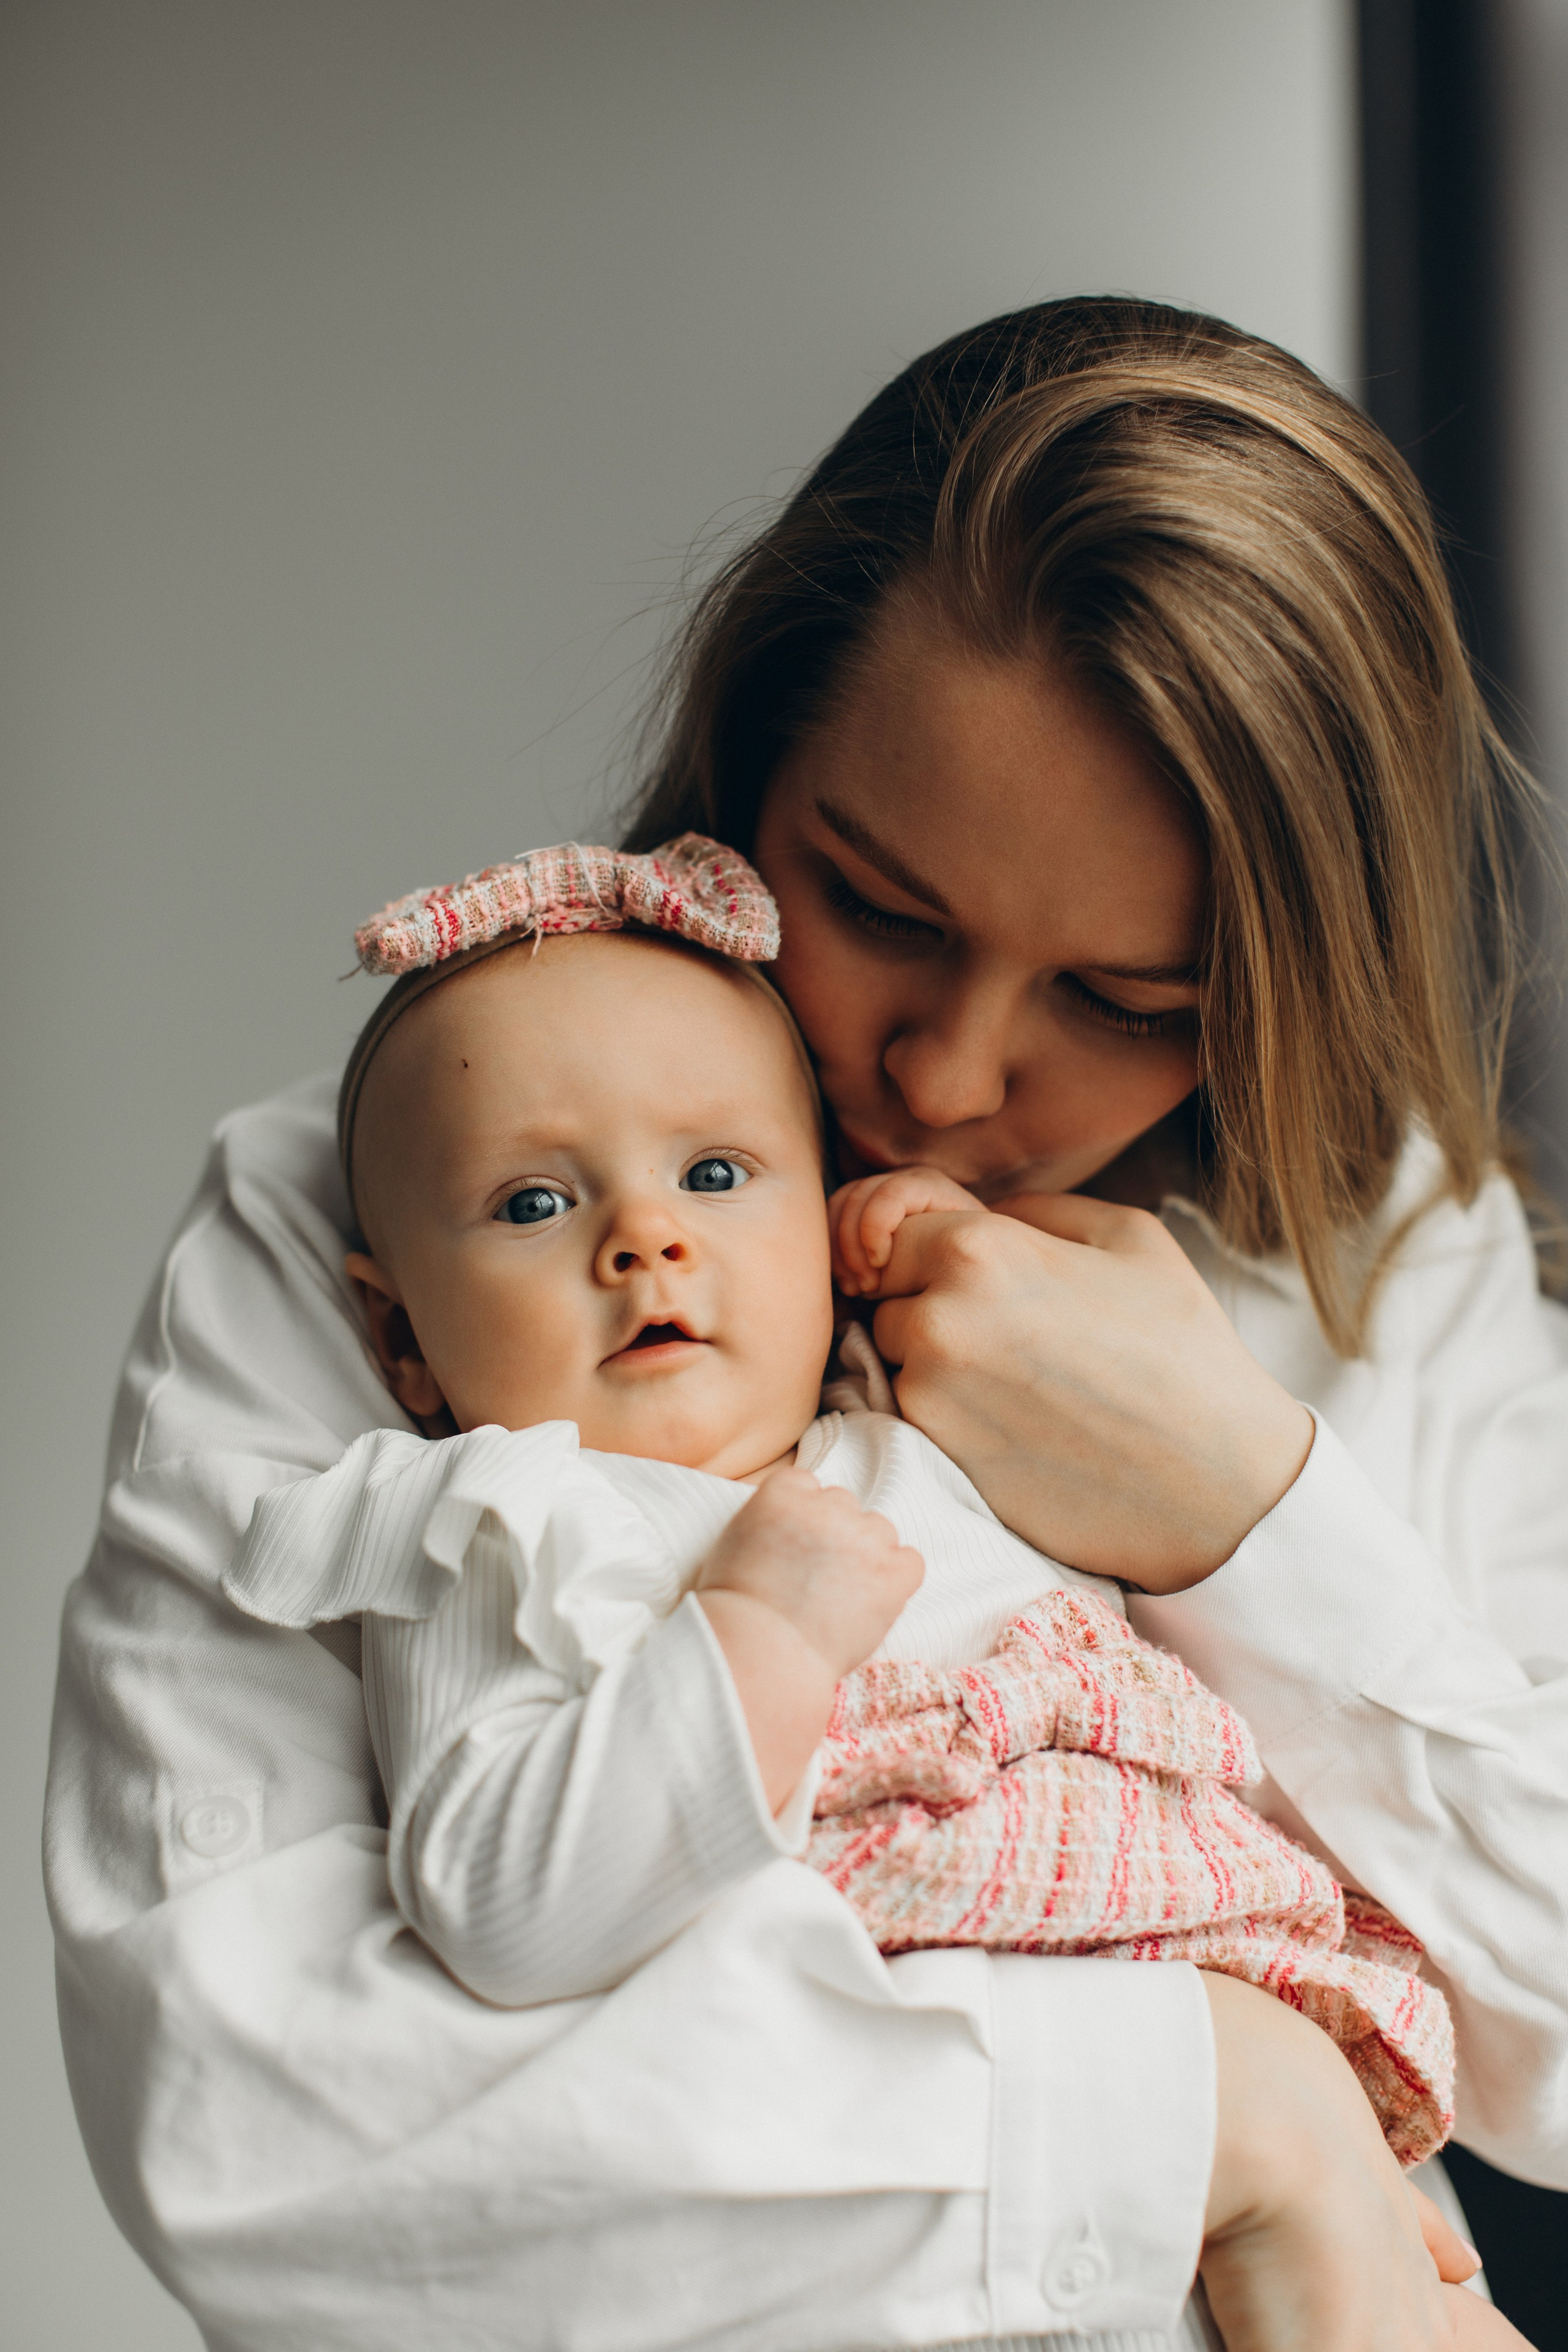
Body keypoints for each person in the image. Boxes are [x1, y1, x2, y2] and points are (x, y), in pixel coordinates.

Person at [45, 297, 1564, 2349]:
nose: (948, 1074)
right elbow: (269, 2140)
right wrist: (1232, 2113)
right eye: (883, 909)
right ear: (752, 775)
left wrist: (1247, 1515)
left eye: (1124, 1004)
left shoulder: (1390, 1259)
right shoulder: (396, 1224)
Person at [219, 849, 1455, 2197]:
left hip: (1231, 1961)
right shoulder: (504, 1530)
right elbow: (500, 1908)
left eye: (714, 1173)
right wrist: (761, 1637)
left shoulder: (903, 1427)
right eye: (534, 1203)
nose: (645, 1238)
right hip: (979, 2122)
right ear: (401, 1339)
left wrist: (925, 1246)